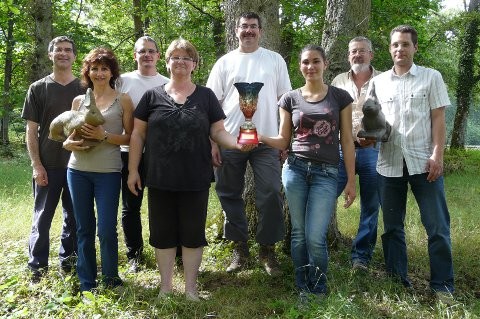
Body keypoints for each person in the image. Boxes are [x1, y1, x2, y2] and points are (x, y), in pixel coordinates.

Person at [127, 38, 254, 301]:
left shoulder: (206, 96)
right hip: (160, 176)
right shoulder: (152, 96)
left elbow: (218, 131)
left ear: (194, 64)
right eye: (175, 57)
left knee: (193, 234)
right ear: (168, 62)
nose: (181, 62)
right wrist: (132, 170)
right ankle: (165, 287)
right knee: (162, 234)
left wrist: (238, 144)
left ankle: (191, 289)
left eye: (187, 58)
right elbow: (138, 135)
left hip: (195, 176)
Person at [260, 44, 356, 299]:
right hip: (295, 170)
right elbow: (283, 140)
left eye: (315, 61)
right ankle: (303, 286)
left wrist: (351, 180)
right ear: (300, 66)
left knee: (315, 236)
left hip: (327, 173)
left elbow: (346, 140)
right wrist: (257, 136)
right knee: (300, 234)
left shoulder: (340, 97)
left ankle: (319, 287)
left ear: (324, 63)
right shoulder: (289, 99)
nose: (310, 66)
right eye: (305, 62)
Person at [370, 25, 454, 303]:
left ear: (415, 48)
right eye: (395, 45)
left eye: (405, 44)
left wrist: (437, 155)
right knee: (392, 228)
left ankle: (442, 287)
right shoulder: (379, 82)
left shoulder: (431, 78)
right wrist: (367, 136)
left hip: (423, 163)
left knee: (437, 228)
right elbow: (373, 121)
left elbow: (438, 119)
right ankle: (397, 283)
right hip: (389, 164)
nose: (399, 49)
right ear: (390, 49)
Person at [206, 11, 292, 276]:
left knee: (269, 192)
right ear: (236, 30)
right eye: (244, 26)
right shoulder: (225, 62)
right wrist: (213, 142)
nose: (248, 31)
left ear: (261, 31)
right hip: (230, 139)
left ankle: (267, 249)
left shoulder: (274, 60)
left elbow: (284, 101)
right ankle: (239, 248)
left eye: (253, 27)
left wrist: (283, 140)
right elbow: (212, 104)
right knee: (229, 193)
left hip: (266, 140)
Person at [63, 47, 134, 292]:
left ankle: (111, 280)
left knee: (105, 229)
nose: (100, 73)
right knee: (83, 228)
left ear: (112, 72)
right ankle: (87, 283)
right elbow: (69, 134)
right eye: (95, 68)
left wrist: (105, 136)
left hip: (108, 172)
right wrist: (67, 143)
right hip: (77, 171)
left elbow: (130, 138)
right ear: (88, 72)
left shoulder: (123, 99)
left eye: (105, 68)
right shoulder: (78, 101)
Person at [21, 36, 85, 282]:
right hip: (48, 165)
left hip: (78, 165)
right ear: (50, 55)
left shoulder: (83, 88)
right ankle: (37, 268)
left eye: (68, 50)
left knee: (75, 217)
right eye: (58, 50)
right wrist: (36, 165)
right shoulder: (38, 88)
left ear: (74, 56)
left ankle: (68, 264)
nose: (63, 54)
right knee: (42, 217)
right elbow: (31, 130)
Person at [118, 36, 169, 272]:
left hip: (162, 156)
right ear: (134, 55)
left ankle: (173, 251)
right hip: (129, 153)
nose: (147, 55)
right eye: (142, 51)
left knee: (166, 205)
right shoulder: (121, 82)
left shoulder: (168, 83)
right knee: (131, 207)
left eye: (151, 51)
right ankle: (134, 256)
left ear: (159, 56)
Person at [331, 36, 382, 270]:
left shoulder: (385, 79)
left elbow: (394, 114)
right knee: (325, 195)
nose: (357, 55)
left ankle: (361, 257)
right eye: (353, 51)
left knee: (371, 205)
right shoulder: (338, 81)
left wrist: (379, 134)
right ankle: (318, 246)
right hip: (342, 150)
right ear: (348, 55)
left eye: (362, 51)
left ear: (371, 55)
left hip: (374, 150)